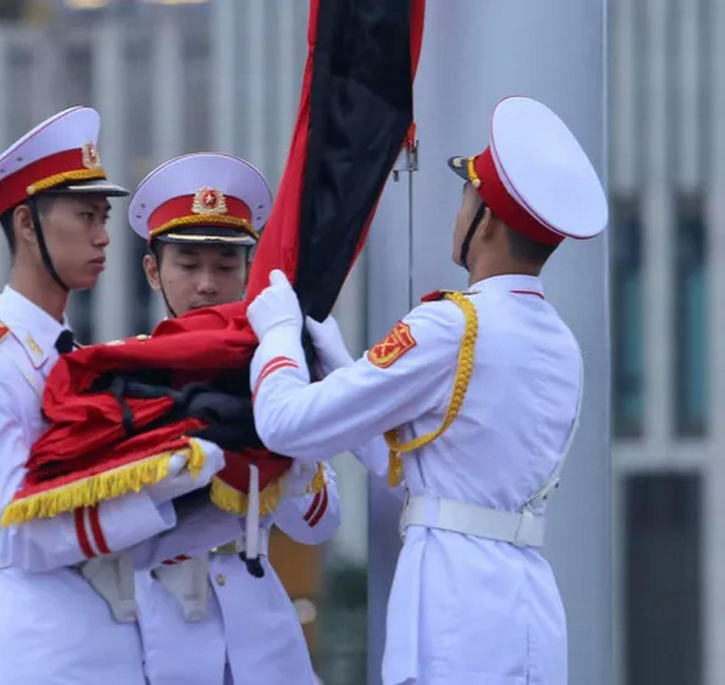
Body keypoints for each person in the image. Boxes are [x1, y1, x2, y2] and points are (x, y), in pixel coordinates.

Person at [245, 96, 609, 685]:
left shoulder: (453, 325)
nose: (458, 211)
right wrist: (343, 369)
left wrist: (278, 338)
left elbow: (285, 423)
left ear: (486, 220)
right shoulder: (561, 343)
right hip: (528, 606)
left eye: (467, 197)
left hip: (455, 608)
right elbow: (424, 467)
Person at [0, 107, 225, 685]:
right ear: (27, 224)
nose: (103, 236)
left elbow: (138, 541)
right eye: (86, 216)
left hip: (114, 647)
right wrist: (156, 484)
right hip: (35, 651)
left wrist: (220, 484)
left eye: (104, 217)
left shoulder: (79, 359)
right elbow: (13, 531)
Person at [127, 152, 341, 685]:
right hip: (157, 634)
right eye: (188, 265)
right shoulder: (122, 377)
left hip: (260, 638)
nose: (207, 285)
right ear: (153, 271)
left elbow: (318, 525)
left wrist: (287, 442)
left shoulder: (272, 375)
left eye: (225, 266)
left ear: (249, 272)